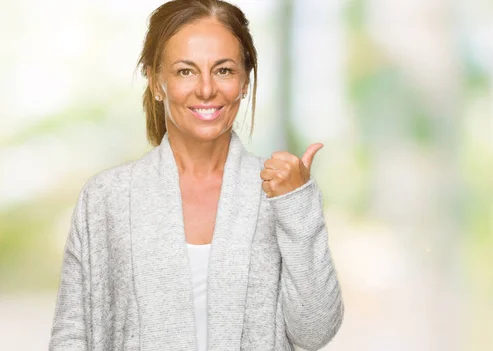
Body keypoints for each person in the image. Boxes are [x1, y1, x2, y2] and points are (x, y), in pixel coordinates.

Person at [49, 0, 344, 350]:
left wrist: (296, 206)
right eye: (185, 71)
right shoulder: (106, 197)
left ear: (245, 81)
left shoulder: (281, 193)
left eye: (223, 70)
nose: (206, 89)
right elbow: (72, 336)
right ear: (156, 81)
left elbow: (315, 332)